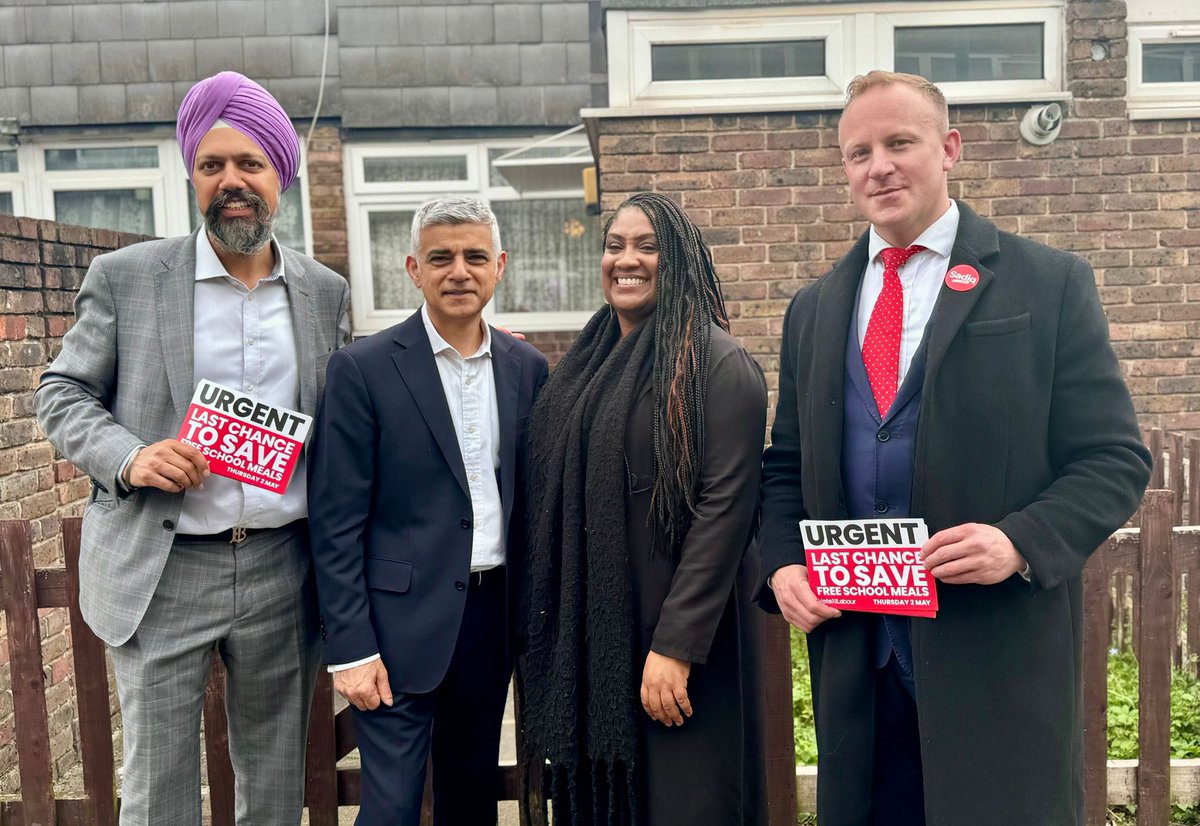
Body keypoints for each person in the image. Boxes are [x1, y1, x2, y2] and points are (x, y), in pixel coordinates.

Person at [756, 70, 1152, 826]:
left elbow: (1113, 458)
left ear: (951, 148)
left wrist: (1018, 540)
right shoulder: (812, 309)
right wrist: (780, 563)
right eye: (858, 152)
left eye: (900, 142)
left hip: (994, 664)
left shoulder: (1048, 283)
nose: (879, 166)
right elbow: (785, 467)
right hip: (860, 669)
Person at [35, 72, 351, 825]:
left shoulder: (325, 293)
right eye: (213, 166)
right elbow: (60, 393)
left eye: (250, 164)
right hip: (163, 566)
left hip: (283, 566)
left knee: (275, 788)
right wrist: (131, 455)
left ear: (282, 173)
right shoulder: (127, 278)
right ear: (192, 177)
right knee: (158, 790)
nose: (232, 182)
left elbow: (347, 416)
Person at [521, 191, 767, 826]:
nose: (626, 260)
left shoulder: (715, 364)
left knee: (683, 805)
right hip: (597, 643)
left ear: (680, 259)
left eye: (647, 247)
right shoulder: (585, 364)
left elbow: (725, 513)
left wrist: (677, 646)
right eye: (614, 245)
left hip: (678, 652)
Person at [307, 195, 548, 826]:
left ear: (500, 266)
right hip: (394, 627)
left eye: (474, 257)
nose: (458, 271)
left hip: (489, 620)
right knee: (390, 807)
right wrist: (351, 648)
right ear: (414, 269)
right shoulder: (362, 368)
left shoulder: (528, 368)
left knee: (470, 797)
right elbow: (335, 521)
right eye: (440, 258)